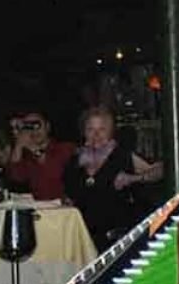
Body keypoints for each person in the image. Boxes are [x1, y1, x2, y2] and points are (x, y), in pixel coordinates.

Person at [63, 106, 163, 250]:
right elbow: (70, 194)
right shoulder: (75, 160)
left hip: (117, 238)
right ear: (84, 132)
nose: (96, 135)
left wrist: (133, 178)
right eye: (91, 129)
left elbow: (160, 170)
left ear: (110, 132)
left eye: (102, 129)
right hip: (84, 239)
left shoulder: (122, 155)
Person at [6, 109, 75, 200]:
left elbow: (52, 174)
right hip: (39, 207)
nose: (34, 131)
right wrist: (19, 144)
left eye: (37, 125)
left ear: (47, 127)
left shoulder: (64, 148)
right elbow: (15, 178)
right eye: (29, 127)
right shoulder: (28, 155)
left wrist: (33, 149)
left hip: (63, 207)